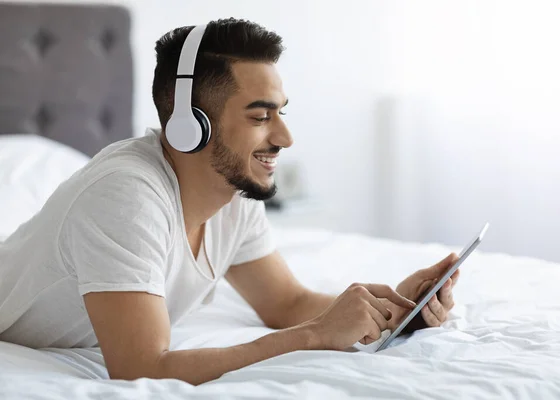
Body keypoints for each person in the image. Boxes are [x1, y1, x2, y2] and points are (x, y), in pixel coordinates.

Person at [0, 18, 460, 385]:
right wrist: (316, 336)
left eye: (281, 113)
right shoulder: (125, 197)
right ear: (189, 126)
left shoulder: (234, 192)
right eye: (260, 116)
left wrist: (395, 312)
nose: (284, 137)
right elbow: (143, 368)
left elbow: (286, 302)